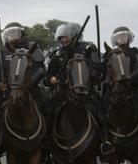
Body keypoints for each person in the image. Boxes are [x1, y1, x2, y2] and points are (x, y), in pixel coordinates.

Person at [45, 22, 112, 154]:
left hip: (85, 91)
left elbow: (97, 67)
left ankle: (105, 142)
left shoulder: (88, 48)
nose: (62, 40)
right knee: (48, 109)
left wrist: (90, 75)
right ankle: (47, 141)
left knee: (100, 111)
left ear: (73, 36)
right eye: (60, 38)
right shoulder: (57, 54)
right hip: (64, 91)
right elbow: (48, 75)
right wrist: (51, 79)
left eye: (65, 37)